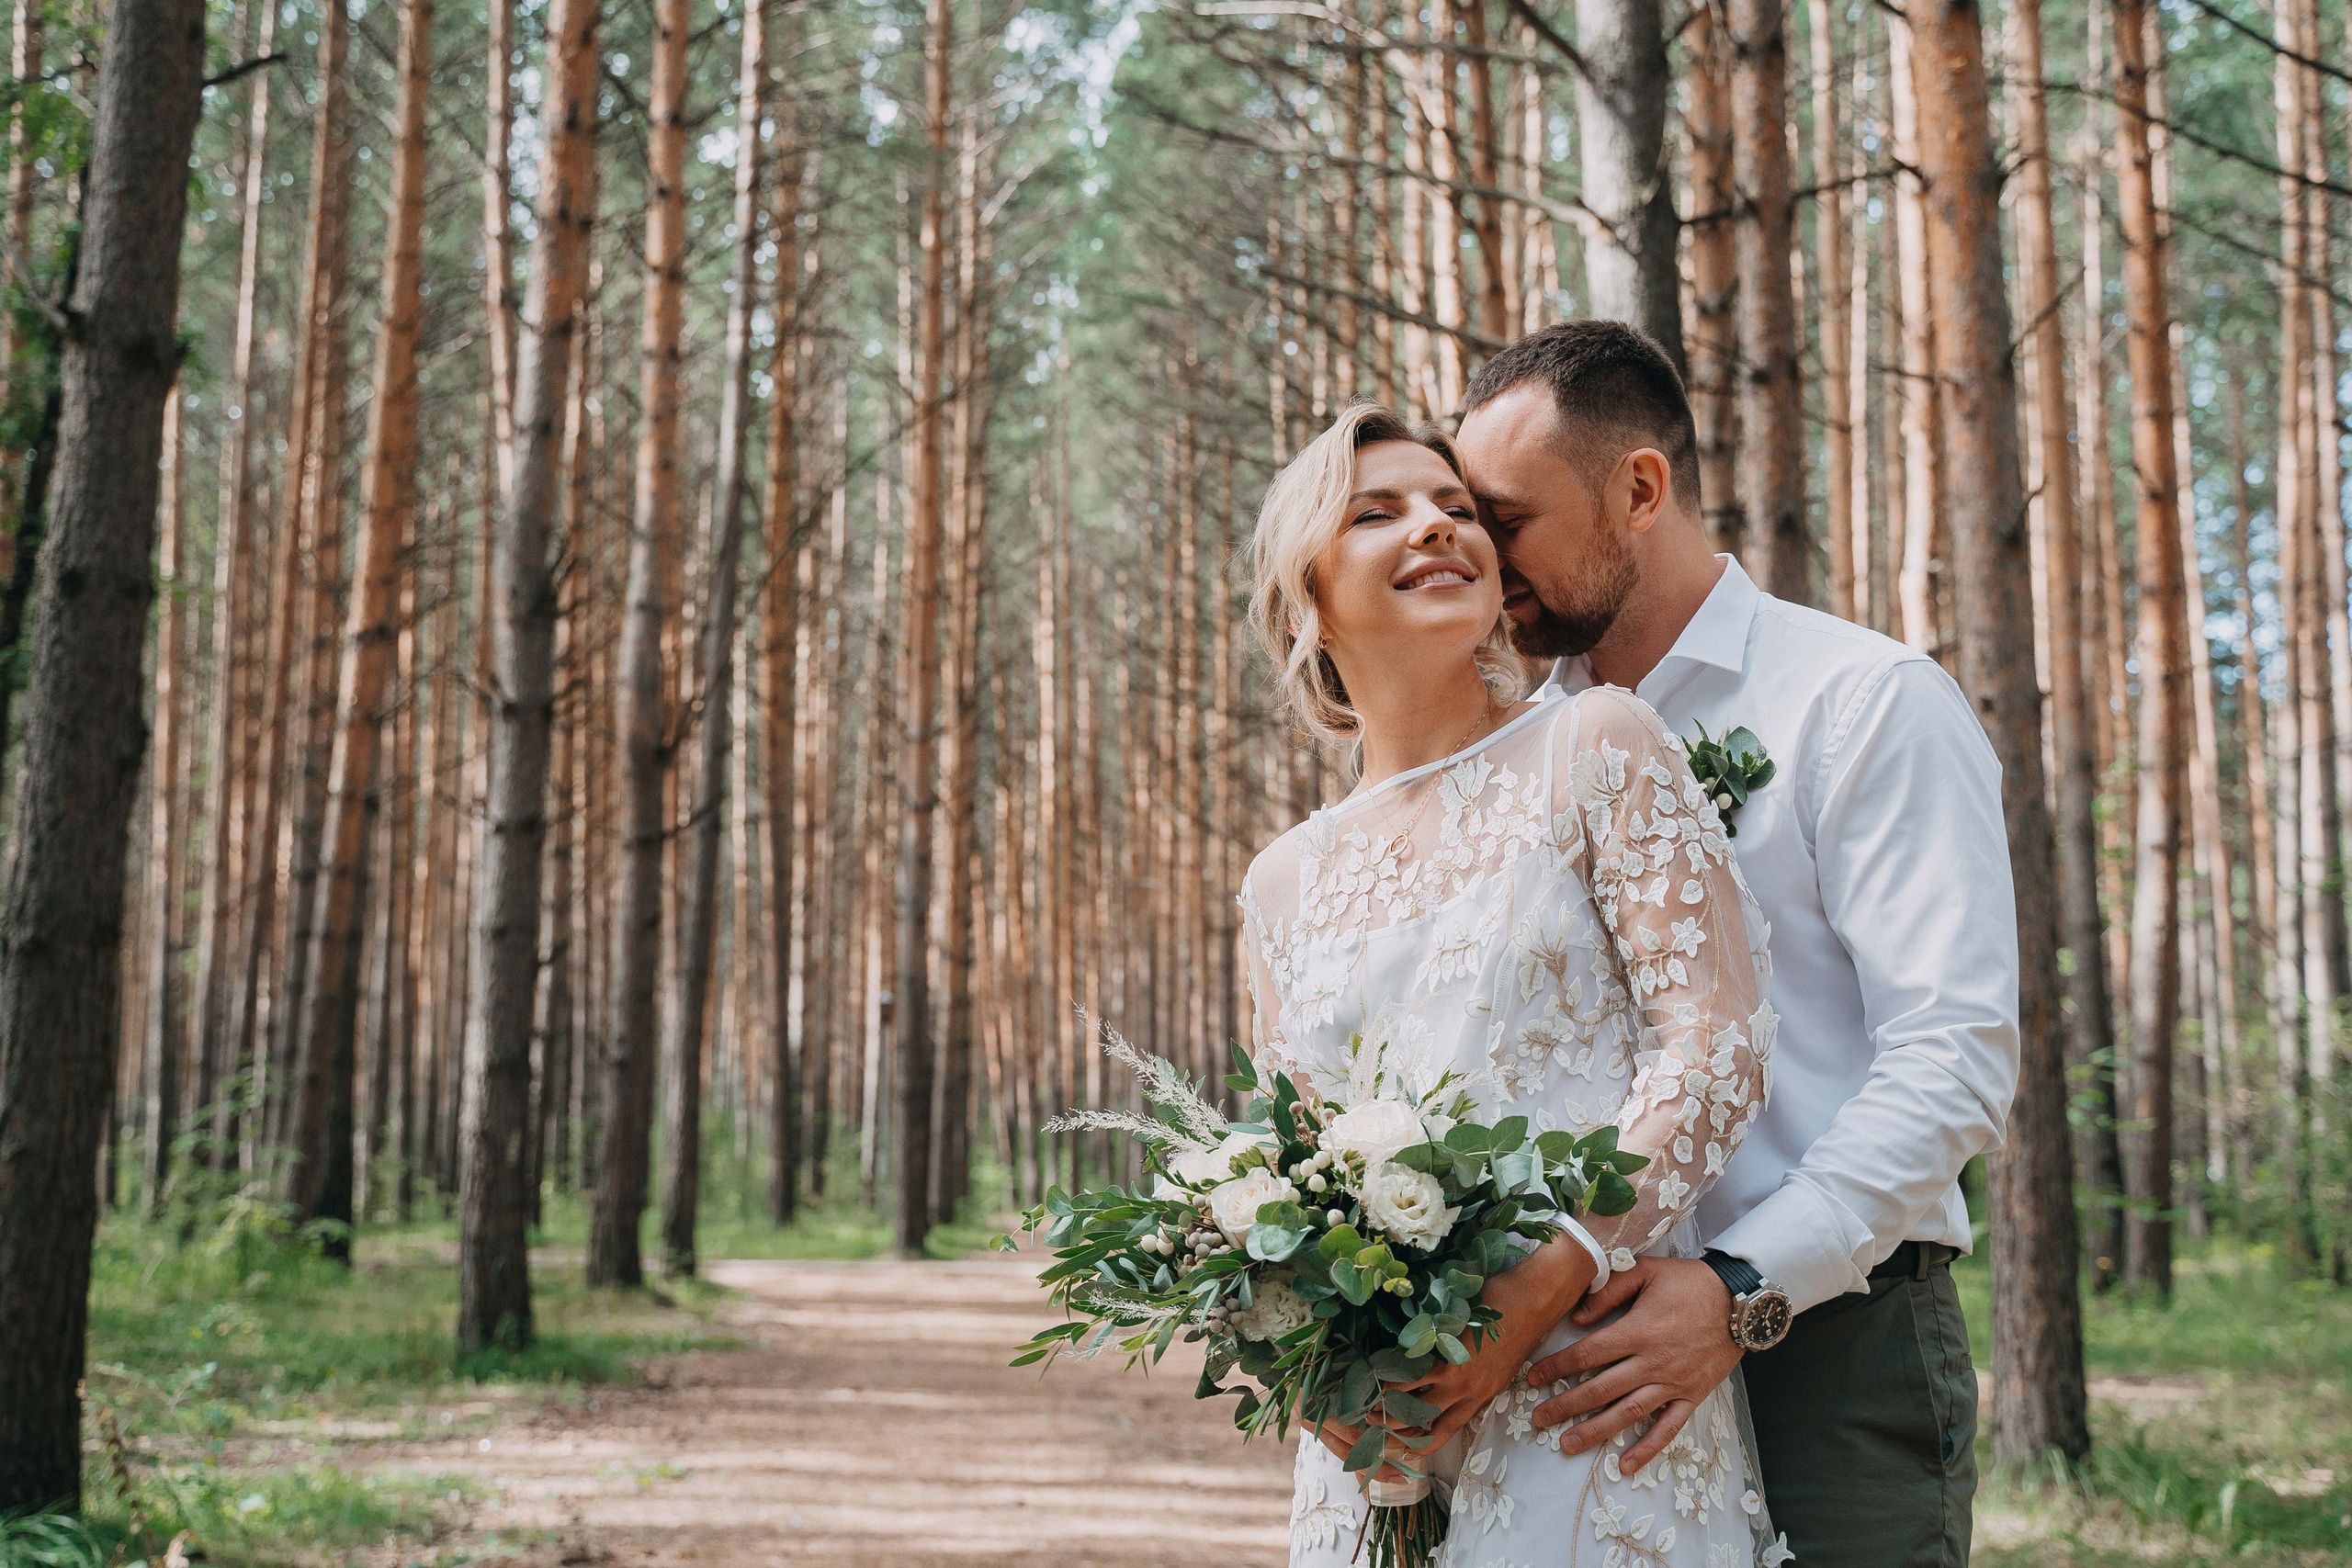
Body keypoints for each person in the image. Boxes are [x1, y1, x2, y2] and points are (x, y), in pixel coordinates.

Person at [1453, 319, 2018, 1568]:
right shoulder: (1511, 753)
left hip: (1834, 1328)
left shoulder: (1860, 702)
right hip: (1573, 1346)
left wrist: (1741, 1282)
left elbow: (1955, 1052)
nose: (1484, 563)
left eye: (1507, 522)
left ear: (1639, 489)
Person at [1240, 401, 1785, 1566]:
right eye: (1377, 512)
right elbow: (1290, 1167)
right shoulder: (1282, 880)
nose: (1437, 527)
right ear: (1306, 597)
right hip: (1389, 1426)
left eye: (1457, 508)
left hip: (1588, 1385)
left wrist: (1536, 1290)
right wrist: (1311, 1363)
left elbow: (1715, 1045)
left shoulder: (1595, 744)